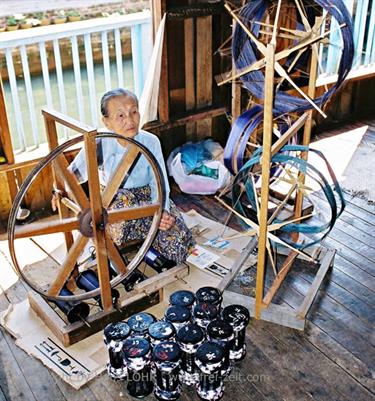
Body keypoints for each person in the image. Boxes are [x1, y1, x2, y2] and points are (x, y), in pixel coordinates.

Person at [68, 88, 195, 264]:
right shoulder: (98, 143)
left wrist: (161, 211)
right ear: (106, 121)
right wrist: (59, 188)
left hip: (148, 198)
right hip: (113, 200)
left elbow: (158, 182)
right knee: (119, 216)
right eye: (120, 116)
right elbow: (72, 175)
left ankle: (149, 230)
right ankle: (135, 236)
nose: (129, 120)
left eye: (133, 112)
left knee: (178, 245)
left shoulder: (150, 141)